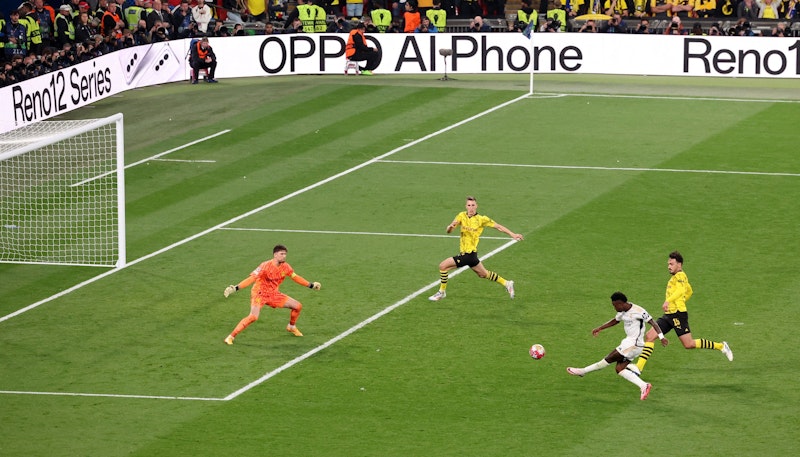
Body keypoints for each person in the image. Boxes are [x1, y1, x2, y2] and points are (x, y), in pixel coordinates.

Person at [633, 251, 733, 373]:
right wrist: (680, 301)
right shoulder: (676, 278)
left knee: (689, 344)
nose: (669, 266)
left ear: (679, 265)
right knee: (650, 336)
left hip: (678, 315)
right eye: (668, 264)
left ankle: (721, 346)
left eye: (671, 264)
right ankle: (638, 367)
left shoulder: (680, 276)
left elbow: (681, 291)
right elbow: (689, 291)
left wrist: (669, 301)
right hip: (669, 315)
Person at [567, 292, 668, 401]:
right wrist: (600, 328)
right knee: (620, 369)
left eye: (615, 305)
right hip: (631, 344)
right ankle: (644, 385)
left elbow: (653, 323)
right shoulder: (622, 311)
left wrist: (661, 337)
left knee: (608, 359)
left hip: (633, 344)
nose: (614, 308)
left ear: (621, 303)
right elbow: (615, 320)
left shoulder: (639, 311)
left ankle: (583, 371)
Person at [428, 196, 522, 302]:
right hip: (471, 256)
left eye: (473, 205)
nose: (471, 208)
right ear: (466, 206)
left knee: (443, 266)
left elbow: (498, 227)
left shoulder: (481, 219)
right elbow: (449, 231)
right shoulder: (461, 216)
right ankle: (507, 283)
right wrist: (450, 227)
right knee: (483, 274)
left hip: (468, 255)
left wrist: (512, 234)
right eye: (469, 205)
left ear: (476, 206)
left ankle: (441, 292)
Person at [222, 244, 321, 344]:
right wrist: (235, 288)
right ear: (275, 255)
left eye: (285, 254)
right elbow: (251, 279)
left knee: (297, 306)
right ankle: (230, 337)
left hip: (273, 294)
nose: (284, 256)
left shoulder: (285, 267)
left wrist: (311, 285)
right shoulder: (265, 266)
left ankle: (291, 326)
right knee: (253, 317)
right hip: (259, 294)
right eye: (281, 254)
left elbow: (295, 277)